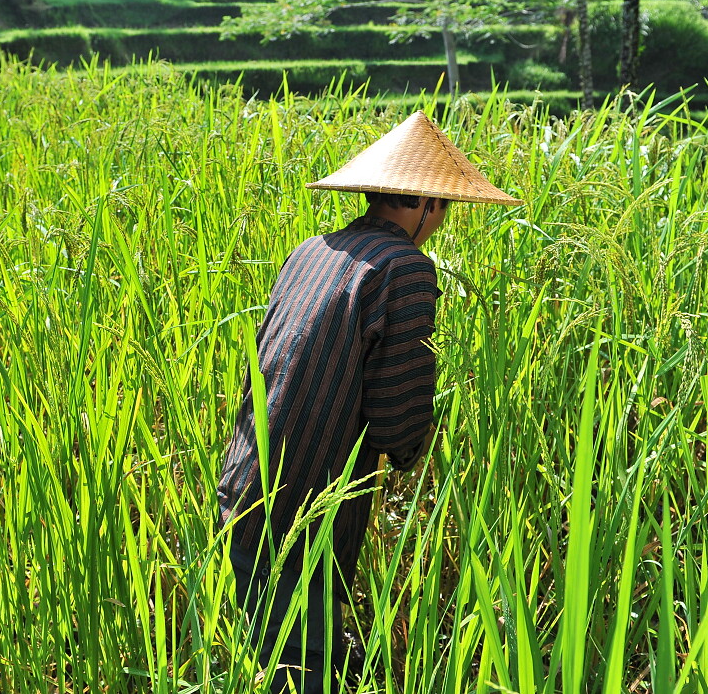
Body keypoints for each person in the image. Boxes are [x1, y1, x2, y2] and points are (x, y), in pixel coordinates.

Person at [217, 110, 523, 692]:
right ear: (428, 205)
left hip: (246, 483)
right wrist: (417, 450)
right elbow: (395, 423)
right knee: (306, 666)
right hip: (305, 503)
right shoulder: (405, 267)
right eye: (444, 210)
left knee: (281, 654)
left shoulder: (313, 249)